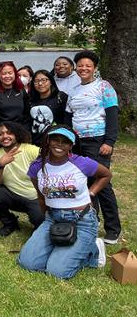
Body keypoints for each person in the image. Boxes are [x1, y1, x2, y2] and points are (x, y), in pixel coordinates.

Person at [18, 126, 110, 279]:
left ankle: (94, 250)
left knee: (57, 272)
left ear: (71, 145)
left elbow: (106, 175)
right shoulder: (37, 167)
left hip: (82, 221)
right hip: (53, 219)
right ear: (48, 140)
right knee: (28, 263)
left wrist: (91, 192)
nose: (59, 145)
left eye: (65, 142)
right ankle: (60, 246)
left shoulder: (82, 163)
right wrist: (46, 221)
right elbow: (41, 197)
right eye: (55, 139)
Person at [65, 50, 121, 244]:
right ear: (76, 68)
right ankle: (91, 222)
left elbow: (113, 115)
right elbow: (68, 117)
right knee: (84, 183)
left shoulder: (104, 86)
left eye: (88, 65)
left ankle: (113, 229)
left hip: (98, 141)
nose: (84, 68)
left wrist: (109, 141)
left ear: (95, 68)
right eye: (80, 65)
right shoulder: (73, 90)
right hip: (78, 142)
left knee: (102, 183)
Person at [0, 122, 43, 237]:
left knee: (40, 222)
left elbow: (51, 163)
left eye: (9, 133)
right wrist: (1, 165)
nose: (5, 136)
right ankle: (10, 223)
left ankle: (38, 223)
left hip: (34, 197)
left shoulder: (30, 149)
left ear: (17, 134)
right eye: (0, 134)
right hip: (12, 195)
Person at [0, 61, 31, 139]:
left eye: (10, 73)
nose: (7, 76)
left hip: (19, 135)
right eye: (4, 74)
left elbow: (27, 115)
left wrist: (25, 133)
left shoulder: (21, 91)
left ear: (15, 74)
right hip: (1, 135)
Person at [29, 70, 68, 146]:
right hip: (35, 143)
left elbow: (67, 119)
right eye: (36, 81)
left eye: (44, 80)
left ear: (51, 81)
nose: (40, 83)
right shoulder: (30, 100)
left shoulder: (60, 97)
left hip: (55, 141)